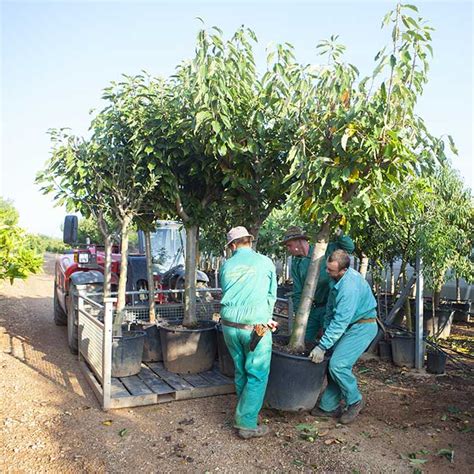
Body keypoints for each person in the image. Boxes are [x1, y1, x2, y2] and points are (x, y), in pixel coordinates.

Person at [219, 226, 278, 439]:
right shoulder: (265, 263)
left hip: (228, 326)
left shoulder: (226, 266)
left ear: (233, 245)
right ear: (249, 242)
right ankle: (246, 422)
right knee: (257, 373)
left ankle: (245, 411)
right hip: (255, 327)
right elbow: (272, 294)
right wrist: (267, 315)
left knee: (240, 368)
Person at [309, 249, 377, 424]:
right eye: (327, 268)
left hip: (362, 327)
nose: (327, 272)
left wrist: (322, 346)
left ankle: (355, 400)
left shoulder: (349, 288)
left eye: (331, 270)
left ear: (343, 270)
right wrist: (325, 330)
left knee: (338, 364)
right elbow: (330, 310)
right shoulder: (336, 279)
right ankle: (328, 406)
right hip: (349, 326)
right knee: (334, 363)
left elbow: (341, 321)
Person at [281, 226, 355, 340]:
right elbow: (297, 291)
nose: (288, 249)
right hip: (311, 310)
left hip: (329, 306)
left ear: (299, 242)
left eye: (289, 245)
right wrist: (298, 313)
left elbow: (349, 247)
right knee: (303, 340)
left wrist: (340, 233)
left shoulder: (324, 251)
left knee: (330, 340)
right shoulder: (296, 262)